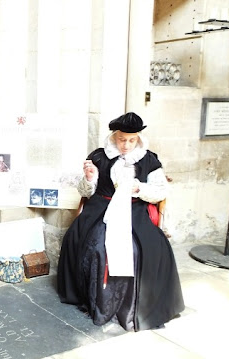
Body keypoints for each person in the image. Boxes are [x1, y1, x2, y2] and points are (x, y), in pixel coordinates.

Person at [57, 112, 184, 331]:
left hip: (134, 209)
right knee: (95, 246)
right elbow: (86, 191)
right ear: (115, 137)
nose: (125, 145)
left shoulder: (149, 159)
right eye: (121, 139)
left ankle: (131, 307)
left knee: (141, 249)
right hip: (101, 207)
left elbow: (160, 191)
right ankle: (97, 302)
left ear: (138, 139)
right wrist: (88, 177)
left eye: (131, 140)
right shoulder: (99, 156)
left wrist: (139, 188)